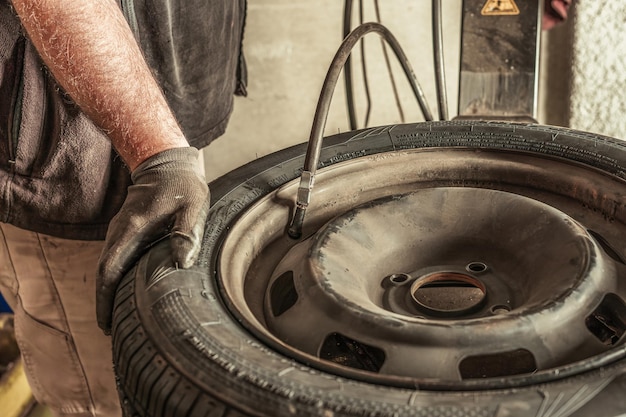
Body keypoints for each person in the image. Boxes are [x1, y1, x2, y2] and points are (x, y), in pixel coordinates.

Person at [0, 0, 245, 416]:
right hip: (71, 157)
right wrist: (157, 152)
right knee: (111, 389)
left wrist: (166, 148)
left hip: (160, 127)